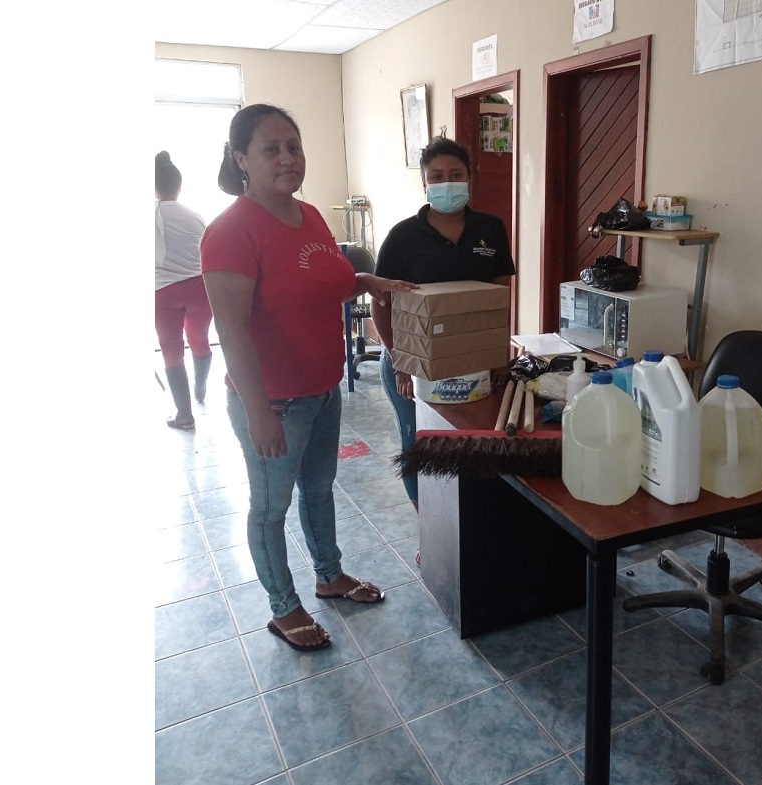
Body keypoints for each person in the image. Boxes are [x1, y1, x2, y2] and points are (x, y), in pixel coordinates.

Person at [200, 104, 418, 652]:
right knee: (270, 508)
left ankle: (330, 576)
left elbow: (325, 284)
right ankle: (283, 607)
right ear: (240, 158)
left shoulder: (311, 216)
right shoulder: (230, 232)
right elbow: (231, 331)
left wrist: (367, 280)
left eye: (293, 147)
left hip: (322, 391)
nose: (287, 158)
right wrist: (257, 413)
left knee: (318, 491)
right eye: (271, 149)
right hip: (274, 402)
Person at [371, 136, 516, 564]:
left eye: (455, 174)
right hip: (410, 364)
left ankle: (469, 527)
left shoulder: (490, 229)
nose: (446, 182)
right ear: (424, 183)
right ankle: (431, 532)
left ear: (470, 178)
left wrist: (497, 357)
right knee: (421, 448)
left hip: (474, 363)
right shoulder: (403, 237)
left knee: (472, 446)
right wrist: (400, 361)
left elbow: (498, 301)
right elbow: (382, 305)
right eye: (436, 177)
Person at [155, 151, 213, 430]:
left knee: (171, 350)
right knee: (199, 339)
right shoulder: (194, 216)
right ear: (179, 186)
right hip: (199, 288)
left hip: (162, 292)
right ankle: (200, 390)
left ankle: (185, 415)